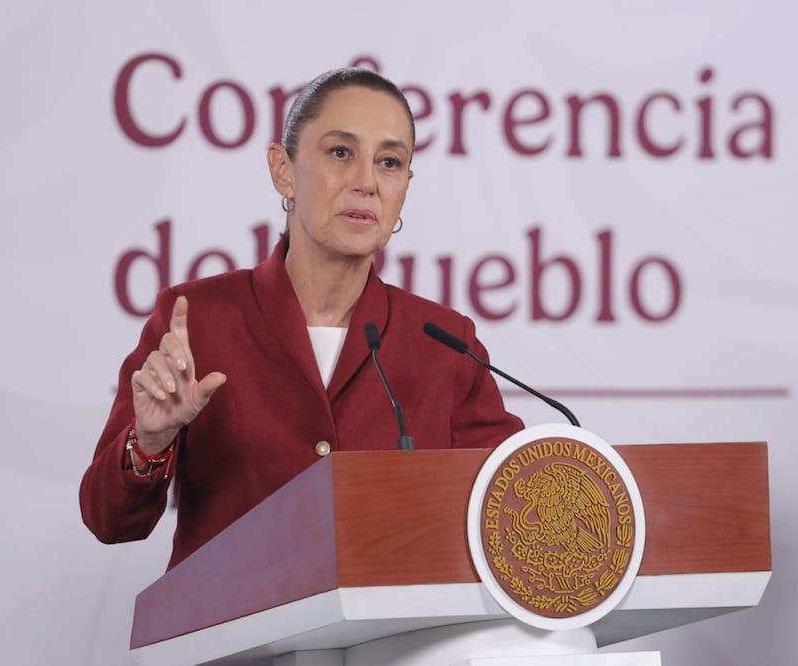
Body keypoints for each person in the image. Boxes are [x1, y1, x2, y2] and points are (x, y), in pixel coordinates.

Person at [80, 67, 523, 570]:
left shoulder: (444, 342)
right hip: (238, 639)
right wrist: (150, 441)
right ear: (282, 169)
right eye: (340, 153)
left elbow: (513, 506)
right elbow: (108, 521)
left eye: (389, 162)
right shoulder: (198, 320)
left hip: (391, 645)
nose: (366, 183)